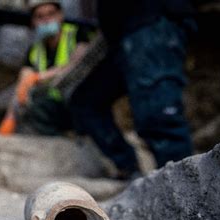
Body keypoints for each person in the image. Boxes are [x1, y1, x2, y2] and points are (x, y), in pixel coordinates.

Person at [68, 0, 196, 179]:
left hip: (151, 21)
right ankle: (130, 170)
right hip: (121, 35)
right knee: (86, 102)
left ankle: (183, 188)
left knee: (157, 115)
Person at [0, 0, 91, 136]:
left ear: (60, 15)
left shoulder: (76, 34)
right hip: (54, 106)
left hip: (80, 102)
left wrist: (39, 77)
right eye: (40, 16)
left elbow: (78, 64)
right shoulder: (35, 50)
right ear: (33, 22)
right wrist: (9, 118)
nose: (46, 20)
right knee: (33, 102)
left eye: (51, 14)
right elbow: (23, 84)